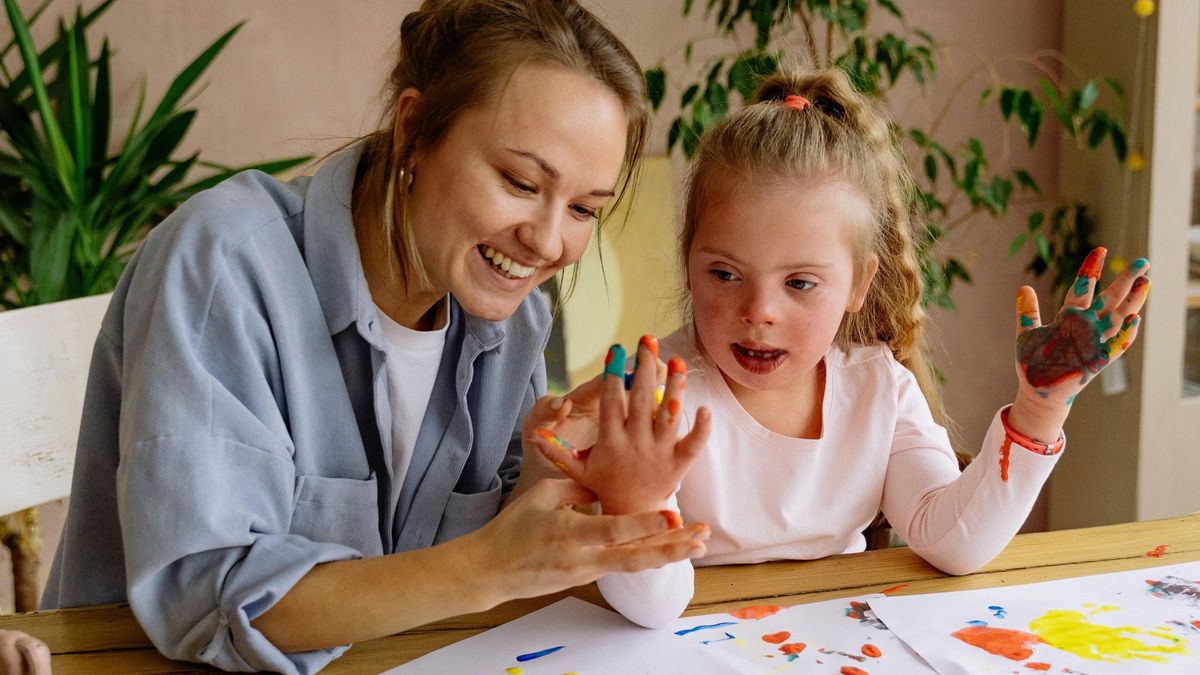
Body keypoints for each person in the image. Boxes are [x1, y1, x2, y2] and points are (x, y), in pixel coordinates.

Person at [39, 1, 710, 672]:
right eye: (520, 181)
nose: (547, 240)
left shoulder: (513, 319)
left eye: (585, 209)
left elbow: (457, 574)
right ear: (413, 128)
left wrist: (544, 479)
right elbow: (206, 602)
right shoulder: (225, 261)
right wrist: (493, 562)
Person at [536, 68, 1151, 628]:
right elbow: (654, 604)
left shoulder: (880, 391)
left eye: (800, 283)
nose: (759, 312)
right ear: (689, 263)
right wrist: (631, 497)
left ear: (859, 284)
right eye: (725, 274)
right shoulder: (654, 398)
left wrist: (1039, 411)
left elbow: (952, 541)